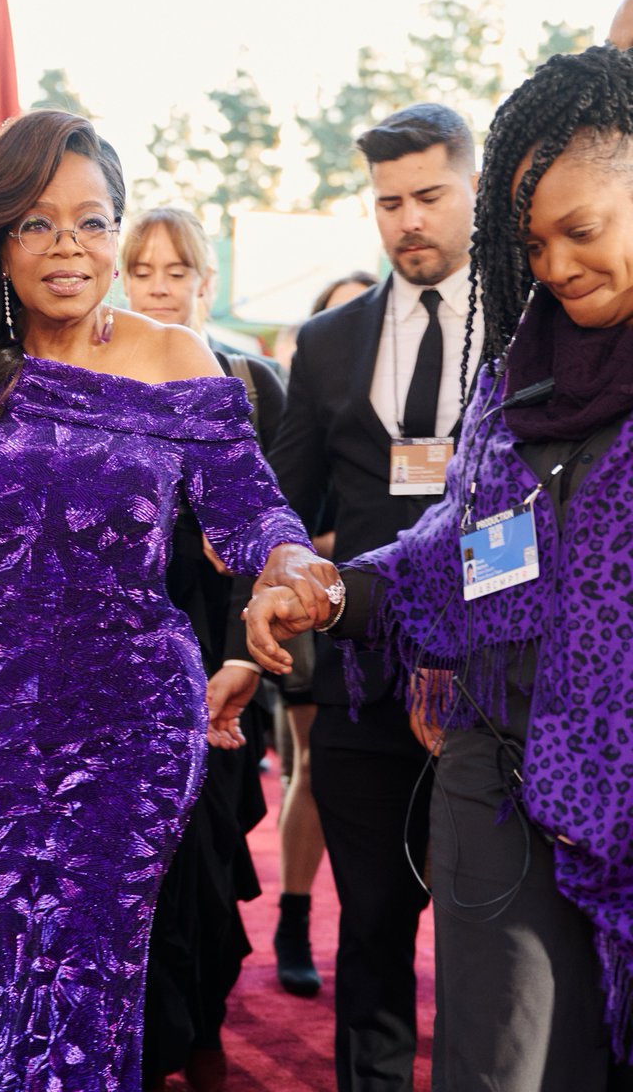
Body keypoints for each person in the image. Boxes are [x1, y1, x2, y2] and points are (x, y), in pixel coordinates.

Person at [0, 110, 337, 1092]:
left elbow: (249, 510)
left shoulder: (179, 361)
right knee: (3, 977)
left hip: (134, 719)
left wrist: (292, 562)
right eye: (39, 224)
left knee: (88, 977)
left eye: (92, 223)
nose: (68, 249)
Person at [247, 44, 633, 1091]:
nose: (553, 267)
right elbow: (462, 549)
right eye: (532, 243)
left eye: (581, 232)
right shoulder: (520, 371)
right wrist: (336, 588)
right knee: (499, 1068)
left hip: (624, 795)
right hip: (496, 782)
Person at [267, 102, 482, 1091]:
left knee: (491, 937)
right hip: (362, 685)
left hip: (498, 686)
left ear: (475, 190)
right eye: (390, 202)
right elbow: (284, 506)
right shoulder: (327, 343)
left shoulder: (534, 324)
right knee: (377, 930)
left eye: (431, 196)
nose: (410, 222)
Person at [121, 207, 286, 1091]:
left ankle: (202, 1025)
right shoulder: (90, 382)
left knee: (209, 855)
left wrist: (240, 658)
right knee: (128, 867)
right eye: (141, 269)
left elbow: (272, 534)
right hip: (123, 661)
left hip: (225, 651)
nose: (158, 286)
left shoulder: (253, 382)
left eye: (175, 271)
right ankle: (143, 1042)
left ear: (204, 281)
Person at [272, 267, 374, 1000]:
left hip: (387, 600)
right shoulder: (311, 393)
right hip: (315, 610)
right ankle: (295, 917)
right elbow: (287, 512)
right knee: (309, 765)